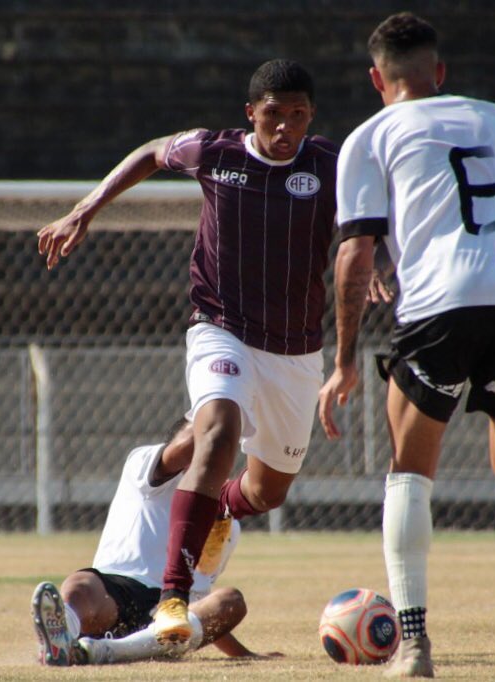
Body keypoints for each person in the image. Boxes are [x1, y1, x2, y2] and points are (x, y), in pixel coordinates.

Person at [319, 12, 495, 677]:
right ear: (440, 72)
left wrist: (342, 362)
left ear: (375, 79)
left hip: (439, 310)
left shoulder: (370, 136)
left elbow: (355, 253)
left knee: (409, 471)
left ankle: (414, 642)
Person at [37, 59, 338, 644]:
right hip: (219, 326)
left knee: (266, 492)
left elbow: (368, 226)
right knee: (218, 430)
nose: (285, 128)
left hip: (295, 352)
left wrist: (379, 262)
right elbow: (152, 152)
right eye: (273, 114)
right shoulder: (215, 152)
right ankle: (174, 596)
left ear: (310, 116)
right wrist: (86, 208)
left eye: (297, 115)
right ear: (251, 113)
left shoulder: (332, 163)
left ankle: (204, 530)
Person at [30, 419, 278, 665]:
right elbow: (193, 442)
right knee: (80, 584)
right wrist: (223, 410)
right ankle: (63, 635)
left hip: (167, 618)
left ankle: (107, 651)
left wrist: (243, 653)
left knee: (230, 602)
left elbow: (200, 605)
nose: (213, 452)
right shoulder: (143, 464)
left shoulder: (227, 525)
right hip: (113, 594)